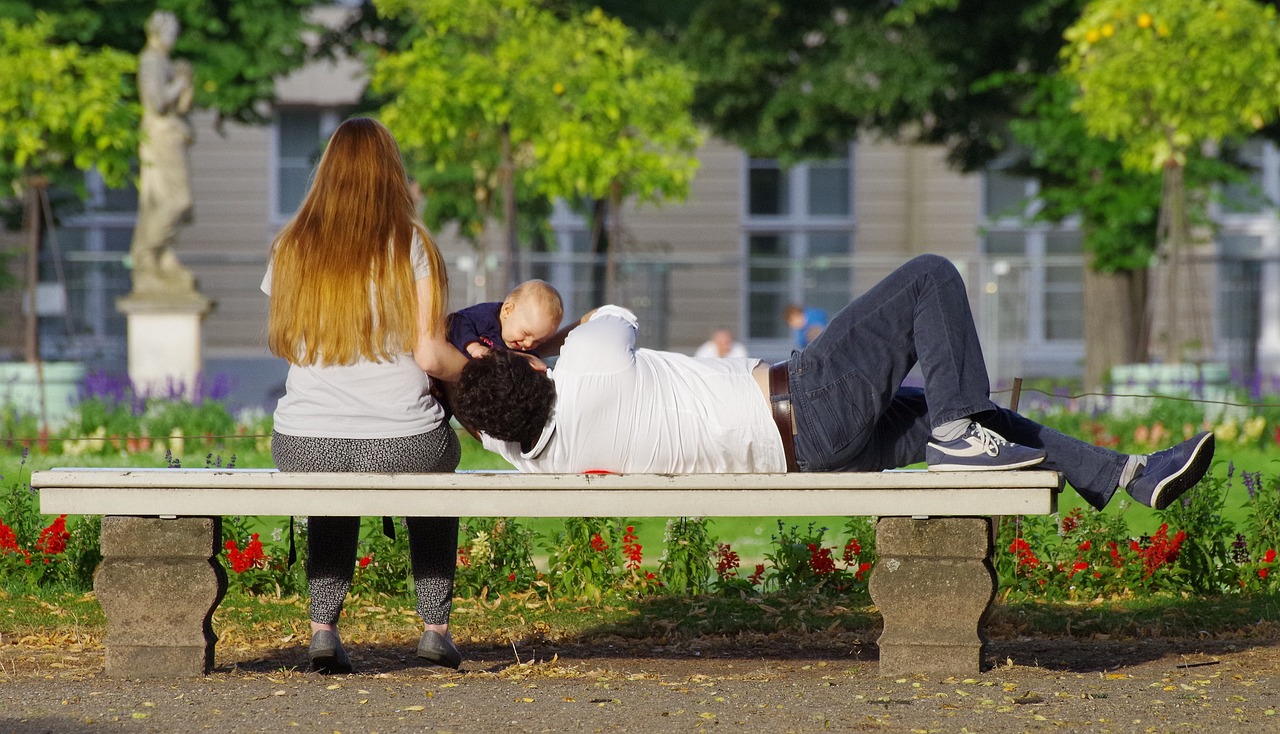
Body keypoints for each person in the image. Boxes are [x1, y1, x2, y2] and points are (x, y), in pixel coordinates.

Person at [451, 255, 1214, 515]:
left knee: (973, 409)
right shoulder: (592, 354)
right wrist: (530, 332)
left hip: (812, 456)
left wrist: (500, 372)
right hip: (806, 401)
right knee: (929, 280)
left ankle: (1130, 476)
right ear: (534, 364)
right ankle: (957, 438)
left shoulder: (529, 453)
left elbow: (481, 411)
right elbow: (609, 312)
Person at [262, 117, 470, 674]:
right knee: (437, 471)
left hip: (304, 443)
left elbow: (287, 345)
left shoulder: (292, 245)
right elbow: (431, 356)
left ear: (326, 171)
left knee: (332, 480)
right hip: (404, 441)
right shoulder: (412, 244)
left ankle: (322, 629)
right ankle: (434, 629)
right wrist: (474, 365)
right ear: (391, 175)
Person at [130, 9, 197, 296]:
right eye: (170, 33)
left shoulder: (162, 61)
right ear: (155, 32)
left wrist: (185, 81)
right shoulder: (151, 60)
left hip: (169, 136)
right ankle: (145, 255)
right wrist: (180, 82)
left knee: (167, 203)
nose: (173, 39)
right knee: (178, 201)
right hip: (161, 137)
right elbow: (157, 102)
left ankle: (162, 257)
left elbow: (181, 107)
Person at [448, 279, 564, 358]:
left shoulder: (526, 350)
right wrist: (474, 347)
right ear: (507, 310)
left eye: (538, 341)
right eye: (525, 333)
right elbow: (456, 322)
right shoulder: (486, 316)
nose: (528, 344)